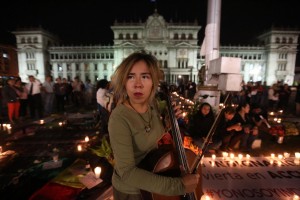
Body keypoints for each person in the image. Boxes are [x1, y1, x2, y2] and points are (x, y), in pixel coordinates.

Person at [108, 51, 200, 199]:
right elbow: (127, 173)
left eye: (145, 76)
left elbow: (150, 135)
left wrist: (168, 125)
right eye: (131, 77)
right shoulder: (119, 119)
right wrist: (179, 186)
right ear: (124, 82)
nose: (138, 84)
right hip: (132, 191)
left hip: (153, 176)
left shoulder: (153, 106)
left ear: (154, 82)